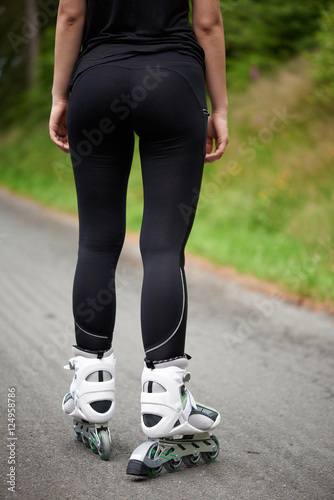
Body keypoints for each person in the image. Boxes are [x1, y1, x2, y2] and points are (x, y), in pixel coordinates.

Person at [49, 0, 228, 473]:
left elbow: (70, 15)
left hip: (97, 79)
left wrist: (59, 96)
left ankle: (90, 387)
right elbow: (207, 21)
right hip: (174, 81)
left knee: (97, 242)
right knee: (164, 247)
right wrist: (222, 107)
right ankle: (166, 400)